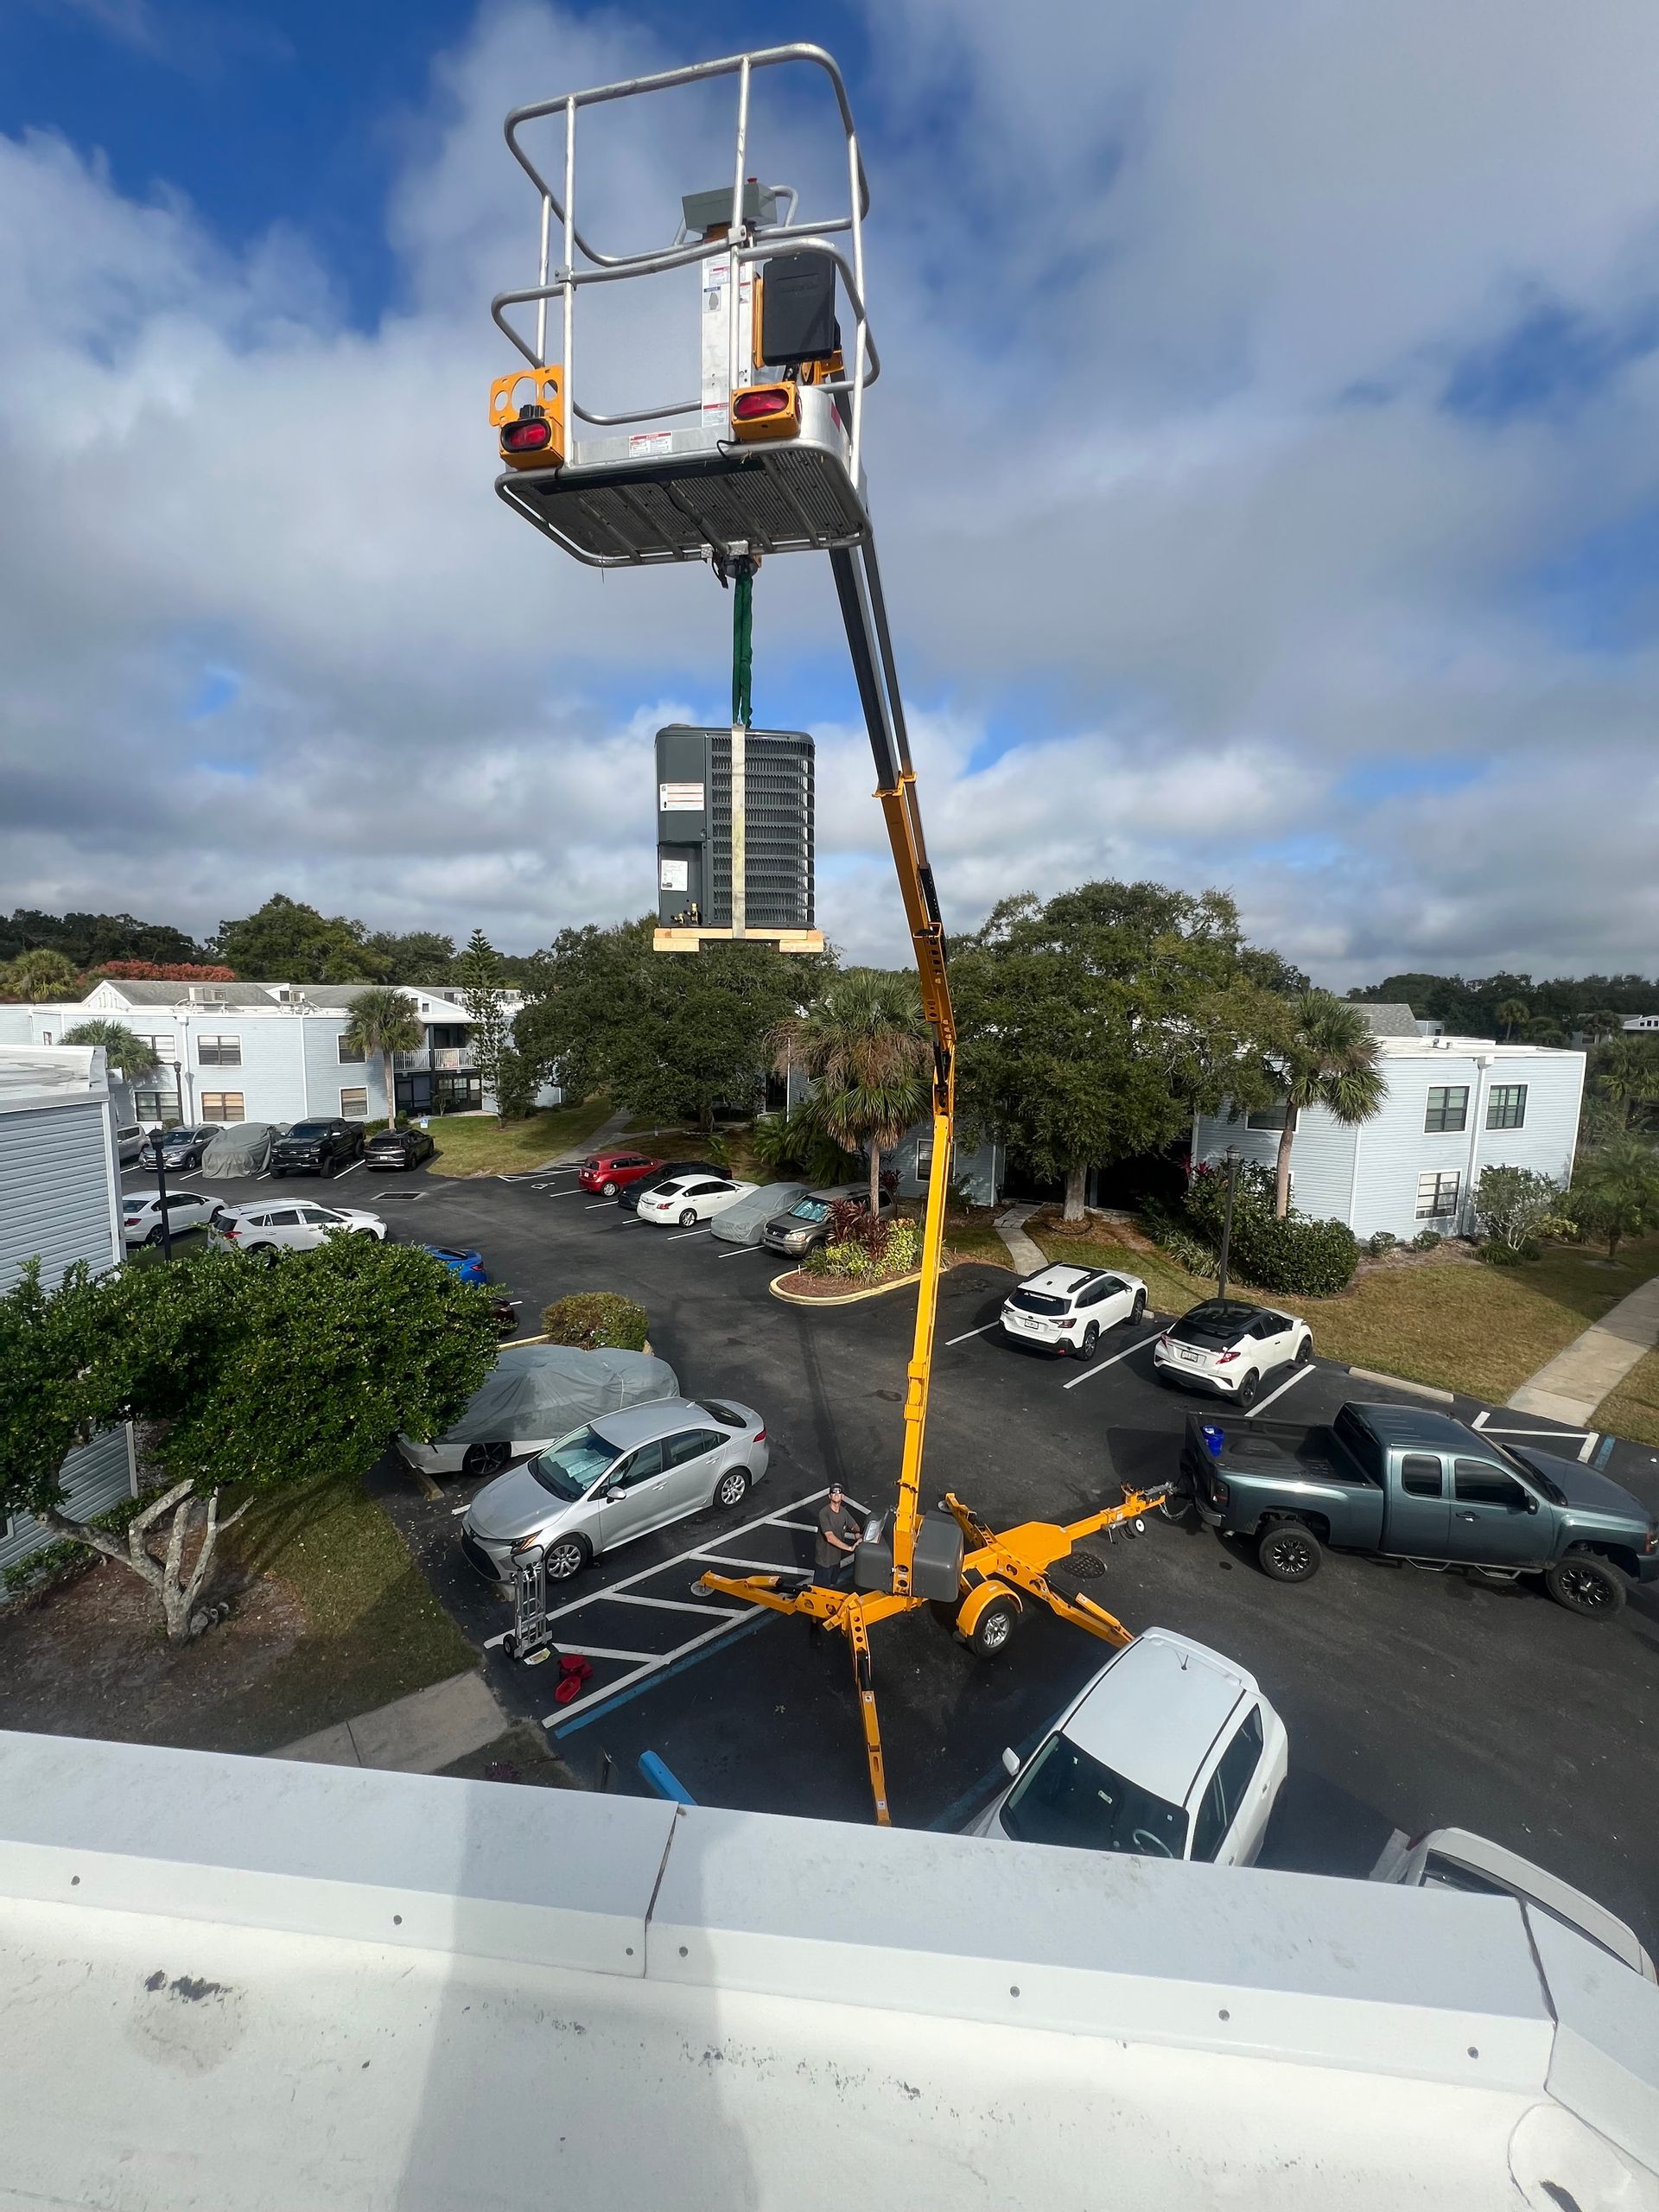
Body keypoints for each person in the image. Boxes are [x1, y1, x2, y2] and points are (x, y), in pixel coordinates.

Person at [814, 1483, 861, 1590]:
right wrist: (850, 1548)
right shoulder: (824, 1513)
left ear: (842, 1497)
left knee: (832, 1586)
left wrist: (858, 1533)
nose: (836, 1494)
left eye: (839, 1492)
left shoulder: (844, 1512)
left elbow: (854, 1526)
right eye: (833, 1492)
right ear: (829, 1496)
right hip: (824, 1562)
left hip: (836, 1560)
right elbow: (829, 1537)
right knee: (819, 1591)